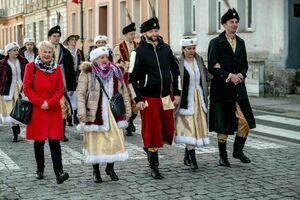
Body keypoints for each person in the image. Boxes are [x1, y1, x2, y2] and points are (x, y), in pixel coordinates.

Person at [128, 17, 181, 179]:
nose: (154, 34)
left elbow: (176, 71)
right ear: (144, 33)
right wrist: (138, 99)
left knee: (166, 130)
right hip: (148, 98)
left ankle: (150, 149)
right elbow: (131, 79)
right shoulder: (137, 52)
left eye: (156, 31)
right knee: (152, 132)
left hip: (166, 96)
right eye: (151, 31)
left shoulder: (166, 49)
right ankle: (154, 166)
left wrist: (177, 93)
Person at [207, 8, 256, 167]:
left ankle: (238, 150)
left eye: (236, 22)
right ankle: (223, 156)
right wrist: (229, 75)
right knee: (223, 123)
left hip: (238, 89)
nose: (235, 25)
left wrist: (241, 75)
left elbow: (244, 65)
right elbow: (212, 67)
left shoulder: (241, 42)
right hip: (222, 90)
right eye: (231, 22)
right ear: (224, 24)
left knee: (245, 122)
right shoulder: (215, 42)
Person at [77, 46, 131, 183]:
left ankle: (110, 168)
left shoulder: (116, 71)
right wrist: (81, 112)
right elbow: (81, 93)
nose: (105, 59)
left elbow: (124, 92)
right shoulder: (87, 72)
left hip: (113, 112)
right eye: (102, 57)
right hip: (95, 113)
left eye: (106, 57)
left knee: (114, 141)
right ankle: (96, 172)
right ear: (94, 59)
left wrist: (128, 110)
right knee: (96, 143)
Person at [22, 41, 69, 184]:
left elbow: (60, 89)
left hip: (53, 109)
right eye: (45, 52)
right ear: (39, 53)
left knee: (55, 142)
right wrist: (40, 102)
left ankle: (59, 172)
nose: (47, 55)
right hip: (38, 110)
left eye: (49, 52)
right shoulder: (31, 67)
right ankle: (40, 168)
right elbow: (27, 88)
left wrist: (50, 102)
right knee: (39, 142)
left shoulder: (57, 68)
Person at [174, 38, 210, 169]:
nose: (192, 51)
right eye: (189, 49)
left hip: (199, 99)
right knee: (189, 127)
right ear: (183, 49)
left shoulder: (199, 60)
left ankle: (187, 154)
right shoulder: (178, 63)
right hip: (185, 100)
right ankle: (193, 159)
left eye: (194, 48)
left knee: (196, 128)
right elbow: (176, 79)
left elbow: (206, 75)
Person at [48, 25, 76, 142]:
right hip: (47, 83)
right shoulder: (43, 49)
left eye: (58, 36)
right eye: (54, 36)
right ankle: (48, 131)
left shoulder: (65, 51)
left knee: (63, 108)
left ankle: (62, 132)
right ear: (49, 37)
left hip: (62, 82)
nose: (56, 38)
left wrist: (71, 86)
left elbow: (70, 70)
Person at [113, 22, 138, 136]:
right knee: (125, 100)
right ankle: (127, 122)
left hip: (136, 78)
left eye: (134, 34)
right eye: (131, 34)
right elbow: (116, 63)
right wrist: (127, 64)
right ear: (125, 35)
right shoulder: (118, 48)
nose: (133, 36)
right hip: (124, 78)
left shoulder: (139, 46)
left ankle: (131, 120)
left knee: (136, 101)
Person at [0, 42, 28, 142]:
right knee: (10, 111)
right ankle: (15, 133)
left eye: (17, 50)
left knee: (20, 110)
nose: (16, 52)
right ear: (8, 52)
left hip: (21, 88)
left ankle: (17, 126)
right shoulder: (2, 63)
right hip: (8, 90)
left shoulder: (23, 61)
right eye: (14, 50)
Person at [63, 34, 85, 126]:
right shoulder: (65, 51)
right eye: (72, 39)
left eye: (75, 40)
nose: (74, 41)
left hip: (78, 75)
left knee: (78, 96)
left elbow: (83, 62)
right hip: (68, 76)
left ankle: (75, 116)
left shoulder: (79, 51)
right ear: (68, 42)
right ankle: (68, 116)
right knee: (68, 96)